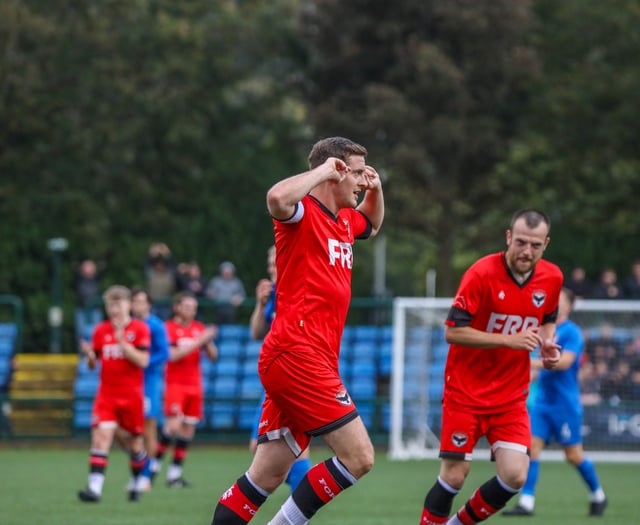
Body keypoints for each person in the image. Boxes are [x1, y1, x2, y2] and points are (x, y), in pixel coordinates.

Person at [208, 136, 384, 525]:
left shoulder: (343, 221)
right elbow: (275, 198)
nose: (360, 182)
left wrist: (377, 187)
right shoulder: (303, 213)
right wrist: (322, 170)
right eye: (354, 173)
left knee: (266, 476)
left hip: (309, 358)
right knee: (360, 458)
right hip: (296, 355)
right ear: (334, 172)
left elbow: (371, 224)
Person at [418, 209, 563, 525]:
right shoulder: (481, 273)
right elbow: (452, 331)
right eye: (521, 242)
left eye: (535, 246)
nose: (527, 252)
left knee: (514, 475)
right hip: (465, 391)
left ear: (546, 244)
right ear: (509, 237)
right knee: (455, 476)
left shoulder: (552, 278)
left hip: (510, 397)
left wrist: (548, 342)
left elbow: (548, 319)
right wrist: (509, 340)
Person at [503, 288, 607, 517]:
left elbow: (564, 362)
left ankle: (598, 494)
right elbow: (539, 370)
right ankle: (527, 503)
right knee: (532, 449)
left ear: (569, 306)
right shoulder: (544, 330)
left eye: (558, 301)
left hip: (565, 405)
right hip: (542, 404)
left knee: (573, 455)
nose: (553, 304)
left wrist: (530, 363)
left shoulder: (572, 333)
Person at [77, 285, 151, 503]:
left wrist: (123, 342)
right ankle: (94, 490)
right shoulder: (100, 330)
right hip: (106, 395)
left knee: (135, 445)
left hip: (132, 396)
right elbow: (94, 364)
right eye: (111, 304)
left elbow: (143, 361)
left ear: (129, 304)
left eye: (119, 303)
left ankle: (137, 484)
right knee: (101, 438)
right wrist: (90, 356)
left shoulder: (140, 329)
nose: (115, 309)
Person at [248, 245, 311, 492]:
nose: (273, 264)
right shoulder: (273, 292)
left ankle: (302, 507)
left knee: (293, 447)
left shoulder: (297, 288)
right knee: (267, 448)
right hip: (276, 380)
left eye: (277, 258)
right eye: (270, 260)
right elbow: (256, 333)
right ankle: (302, 504)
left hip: (295, 375)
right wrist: (259, 303)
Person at [151, 291, 218, 487]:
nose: (191, 311)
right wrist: (200, 340)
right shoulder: (168, 328)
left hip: (195, 385)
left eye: (194, 308)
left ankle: (174, 475)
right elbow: (173, 355)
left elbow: (213, 356)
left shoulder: (198, 328)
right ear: (177, 307)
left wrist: (208, 340)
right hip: (175, 384)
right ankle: (153, 469)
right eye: (187, 307)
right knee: (172, 427)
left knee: (187, 430)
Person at [129, 287, 170, 492]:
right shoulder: (128, 326)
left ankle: (146, 475)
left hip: (148, 383)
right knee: (129, 429)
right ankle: (138, 469)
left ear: (148, 304)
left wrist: (144, 362)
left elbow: (164, 353)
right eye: (134, 301)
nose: (137, 305)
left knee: (148, 428)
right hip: (129, 383)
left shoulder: (155, 325)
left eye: (140, 301)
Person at [74, 258, 104, 344]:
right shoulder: (79, 278)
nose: (88, 268)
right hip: (82, 310)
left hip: (95, 310)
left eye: (90, 266)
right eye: (86, 266)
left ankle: (96, 353)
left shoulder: (97, 278)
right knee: (81, 334)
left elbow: (103, 267)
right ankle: (83, 355)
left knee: (97, 333)